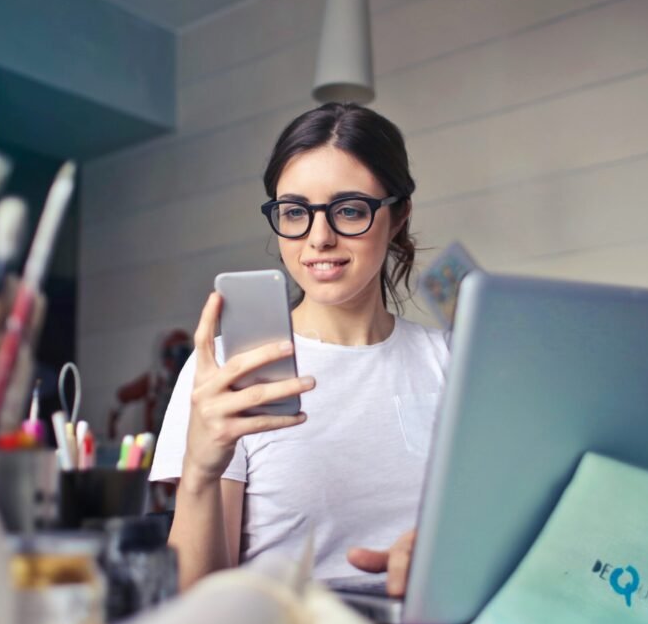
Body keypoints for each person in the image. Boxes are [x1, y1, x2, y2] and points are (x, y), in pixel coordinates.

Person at [150, 103, 450, 596]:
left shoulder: (451, 363)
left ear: (398, 217)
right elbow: (197, 606)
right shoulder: (229, 372)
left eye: (349, 209)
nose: (319, 238)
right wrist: (201, 471)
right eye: (294, 212)